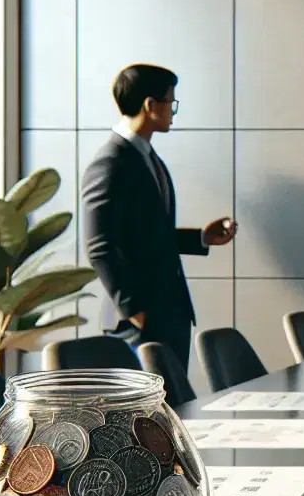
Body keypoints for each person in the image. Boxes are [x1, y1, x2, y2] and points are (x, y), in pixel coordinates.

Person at [81, 64, 236, 404]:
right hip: (142, 319)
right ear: (151, 105)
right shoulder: (111, 162)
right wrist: (133, 307)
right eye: (171, 103)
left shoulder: (147, 158)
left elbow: (148, 233)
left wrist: (201, 239)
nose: (172, 112)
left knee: (169, 411)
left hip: (168, 312)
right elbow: (99, 244)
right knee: (145, 418)